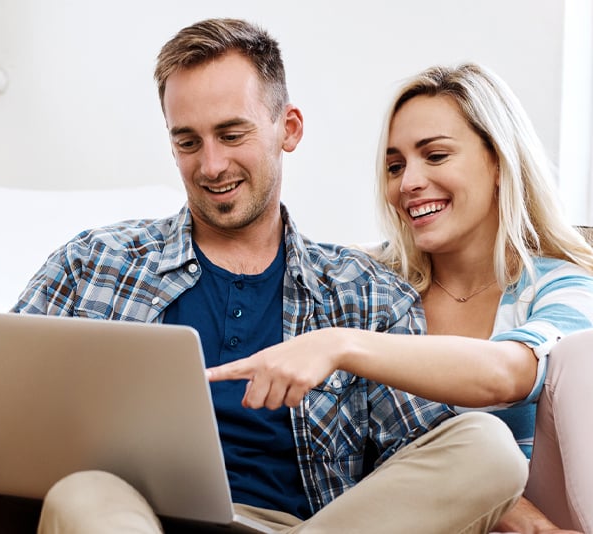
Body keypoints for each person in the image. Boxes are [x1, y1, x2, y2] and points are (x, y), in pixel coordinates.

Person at [13, 20, 527, 533]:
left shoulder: (364, 292)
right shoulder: (95, 261)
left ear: (290, 129)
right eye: (188, 142)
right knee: (82, 490)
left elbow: (425, 456)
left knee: (487, 447)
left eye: (232, 135)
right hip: (130, 517)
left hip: (292, 526)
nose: (212, 165)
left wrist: (528, 520)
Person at [208, 63, 593, 533]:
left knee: (539, 396)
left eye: (435, 156)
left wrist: (339, 344)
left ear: (498, 161)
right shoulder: (366, 283)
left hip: (525, 506)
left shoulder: (560, 285)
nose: (408, 182)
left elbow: (507, 373)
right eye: (395, 166)